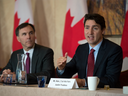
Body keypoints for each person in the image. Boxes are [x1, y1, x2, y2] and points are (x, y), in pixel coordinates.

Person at [57, 13, 123, 88]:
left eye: (95, 28)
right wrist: (61, 68)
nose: (90, 32)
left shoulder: (113, 50)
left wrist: (83, 82)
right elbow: (69, 71)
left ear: (103, 30)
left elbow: (111, 79)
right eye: (87, 28)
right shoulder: (81, 49)